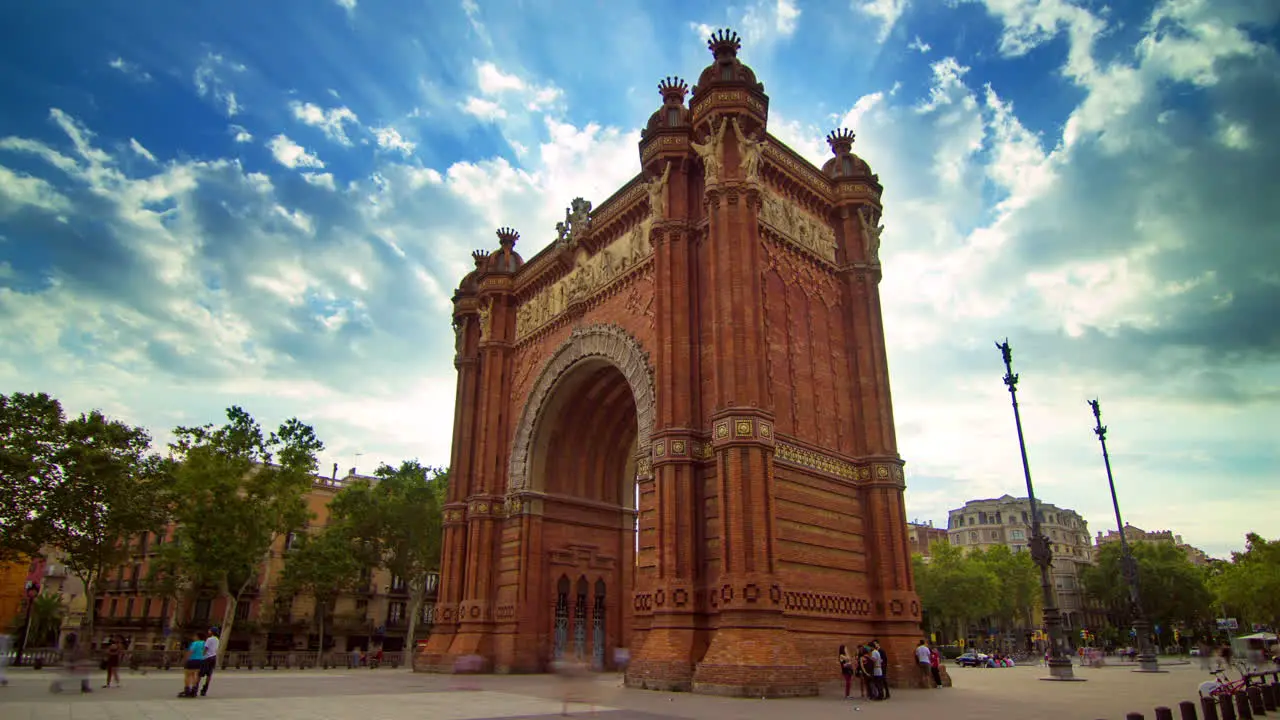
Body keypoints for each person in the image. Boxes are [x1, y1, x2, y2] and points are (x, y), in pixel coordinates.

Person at [178, 631, 207, 698]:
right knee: (195, 675)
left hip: (192, 660)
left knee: (187, 675)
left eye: (195, 636)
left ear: (197, 637)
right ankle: (194, 690)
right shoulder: (204, 643)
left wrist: (185, 659)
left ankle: (187, 689)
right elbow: (205, 652)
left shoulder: (195, 643)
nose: (193, 637)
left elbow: (190, 651)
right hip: (200, 660)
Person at [199, 626, 220, 696]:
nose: (208, 631)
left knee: (200, 674)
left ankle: (195, 688)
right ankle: (205, 689)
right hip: (213, 657)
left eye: (209, 630)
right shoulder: (217, 639)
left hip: (207, 658)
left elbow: (205, 648)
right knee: (209, 674)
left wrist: (201, 656)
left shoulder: (209, 639)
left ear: (212, 632)